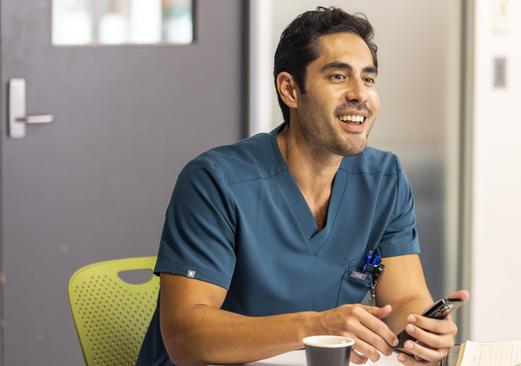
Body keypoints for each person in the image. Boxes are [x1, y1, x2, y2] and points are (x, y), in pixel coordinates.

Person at [137, 6, 469, 366]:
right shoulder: (215, 181)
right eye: (339, 77)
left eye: (369, 79)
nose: (360, 94)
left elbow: (405, 299)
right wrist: (317, 326)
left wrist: (422, 329)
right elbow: (187, 337)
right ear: (290, 89)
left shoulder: (383, 179)